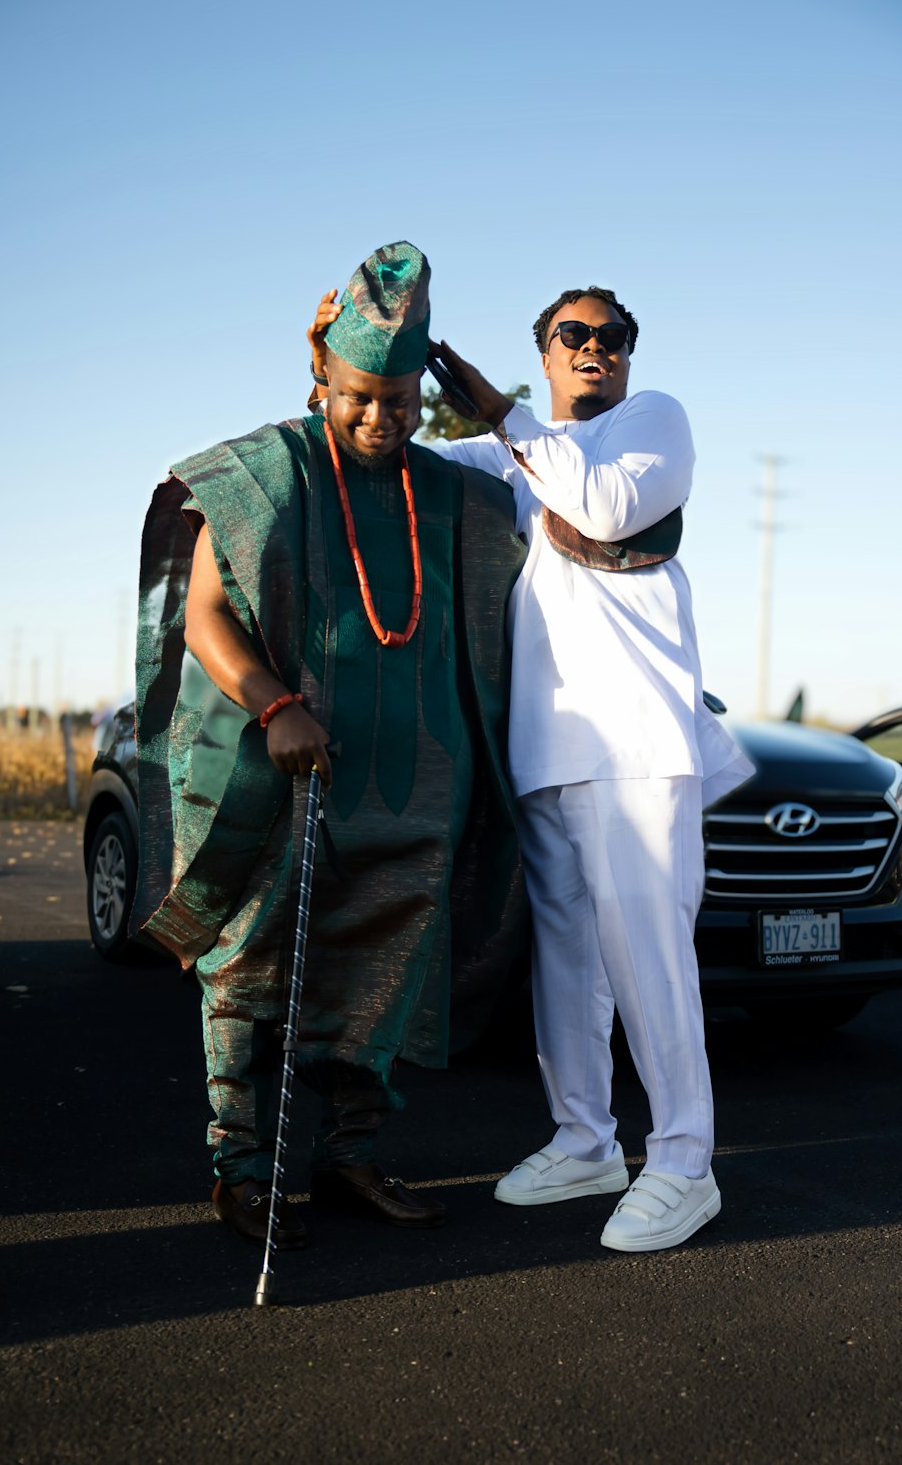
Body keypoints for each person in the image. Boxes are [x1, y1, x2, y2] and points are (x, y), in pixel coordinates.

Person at [307, 280, 754, 1253]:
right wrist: (346, 362)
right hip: (549, 753)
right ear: (545, 350)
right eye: (573, 335)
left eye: (612, 335)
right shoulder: (513, 457)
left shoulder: (651, 425)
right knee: (566, 963)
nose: (595, 349)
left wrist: (492, 402)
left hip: (640, 747)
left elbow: (603, 500)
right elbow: (387, 464)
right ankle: (584, 1139)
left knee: (650, 961)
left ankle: (683, 1162)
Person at [134, 242, 527, 1247]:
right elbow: (206, 618)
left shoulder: (455, 494)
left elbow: (580, 527)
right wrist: (274, 706)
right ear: (322, 377)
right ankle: (239, 1171)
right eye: (358, 395)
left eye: (398, 401)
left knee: (383, 976)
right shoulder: (268, 472)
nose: (378, 418)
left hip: (415, 778)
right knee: (251, 959)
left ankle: (349, 1157)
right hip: (287, 771)